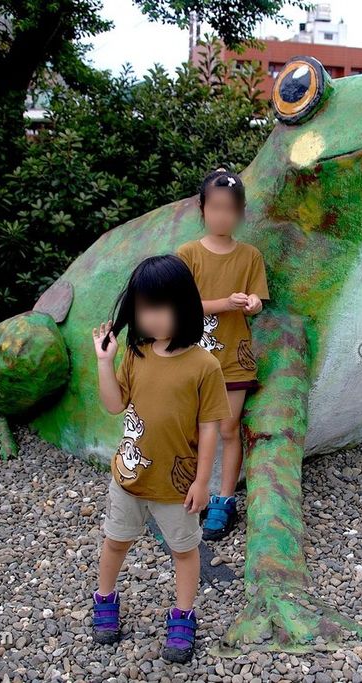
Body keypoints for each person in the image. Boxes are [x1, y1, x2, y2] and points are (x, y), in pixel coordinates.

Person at [90, 254, 231, 663]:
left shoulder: (204, 365)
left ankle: (184, 615)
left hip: (177, 486)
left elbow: (210, 429)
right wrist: (105, 361)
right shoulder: (136, 354)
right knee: (115, 542)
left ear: (184, 304)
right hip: (129, 480)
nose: (150, 318)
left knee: (184, 551)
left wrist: (203, 482)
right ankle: (104, 598)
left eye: (160, 307)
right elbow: (115, 405)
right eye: (143, 308)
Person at [176, 168, 270, 541]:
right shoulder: (188, 255)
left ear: (240, 213)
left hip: (234, 357)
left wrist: (250, 305)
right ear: (202, 209)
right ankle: (186, 492)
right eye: (215, 208)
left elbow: (258, 301)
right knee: (191, 429)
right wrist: (223, 303)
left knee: (230, 429)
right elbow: (182, 308)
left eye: (229, 210)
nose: (221, 217)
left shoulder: (250, 257)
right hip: (192, 358)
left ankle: (224, 499)